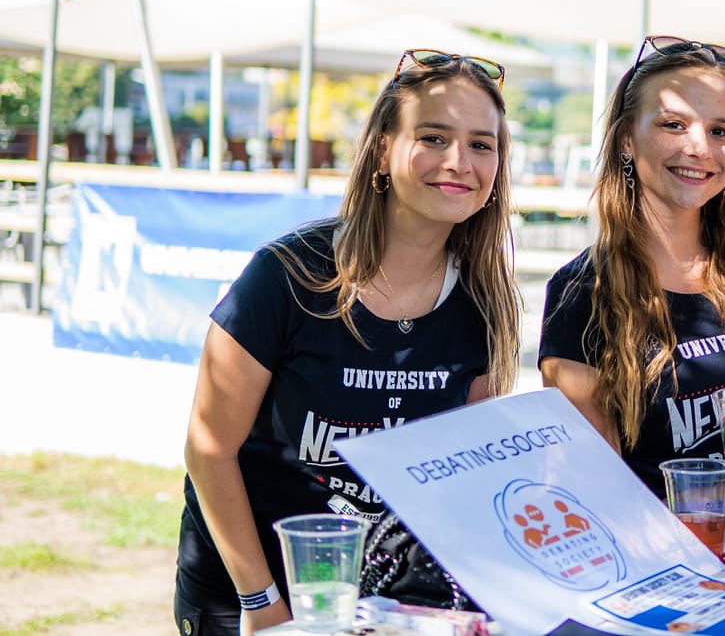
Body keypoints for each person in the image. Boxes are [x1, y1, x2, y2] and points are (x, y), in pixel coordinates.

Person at [175, 50, 522, 636]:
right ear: (384, 149)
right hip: (249, 594)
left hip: (382, 605)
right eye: (434, 137)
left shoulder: (485, 299)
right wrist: (262, 604)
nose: (459, 161)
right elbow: (208, 449)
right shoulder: (288, 275)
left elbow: (463, 471)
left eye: (481, 144)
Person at [539, 35, 725, 535]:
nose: (701, 147)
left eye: (721, 129)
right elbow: (594, 479)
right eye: (674, 125)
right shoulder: (581, 292)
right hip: (666, 539)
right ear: (626, 139)